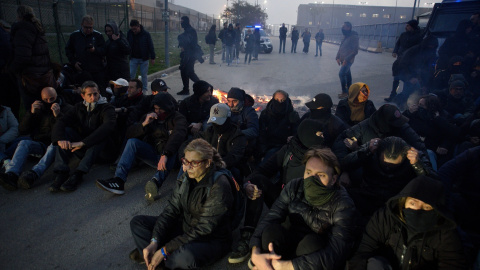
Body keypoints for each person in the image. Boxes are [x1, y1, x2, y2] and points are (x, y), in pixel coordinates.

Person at [227, 119, 326, 264]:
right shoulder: (289, 150)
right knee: (257, 182)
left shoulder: (325, 158)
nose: (322, 138)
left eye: (323, 134)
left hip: (309, 214)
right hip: (283, 203)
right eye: (318, 134)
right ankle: (248, 235)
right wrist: (247, 184)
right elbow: (262, 170)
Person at [128, 138, 235, 269]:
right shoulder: (187, 177)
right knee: (138, 223)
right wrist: (154, 241)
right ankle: (157, 258)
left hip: (212, 239)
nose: (188, 167)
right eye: (186, 161)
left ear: (208, 163)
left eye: (194, 163)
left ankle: (159, 259)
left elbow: (204, 228)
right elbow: (171, 210)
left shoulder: (219, 185)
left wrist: (165, 249)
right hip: (186, 227)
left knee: (184, 256)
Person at [249, 148, 357, 270]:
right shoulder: (295, 186)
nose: (312, 180)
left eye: (321, 175)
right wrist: (255, 251)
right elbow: (271, 217)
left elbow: (337, 252)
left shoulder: (343, 204)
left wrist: (288, 266)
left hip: (313, 257)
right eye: (309, 172)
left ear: (333, 179)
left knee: (311, 244)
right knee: (271, 232)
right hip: (289, 243)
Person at [349, 176, 467, 269]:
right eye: (413, 203)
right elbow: (363, 252)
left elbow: (452, 264)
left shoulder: (445, 234)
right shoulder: (384, 218)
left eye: (426, 207)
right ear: (403, 201)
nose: (417, 210)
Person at [96, 92, 187, 198]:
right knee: (132, 142)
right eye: (155, 109)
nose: (157, 112)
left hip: (172, 158)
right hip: (155, 155)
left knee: (173, 147)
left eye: (160, 109)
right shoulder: (150, 117)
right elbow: (129, 134)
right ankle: (119, 180)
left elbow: (178, 136)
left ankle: (156, 182)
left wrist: (165, 154)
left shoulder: (178, 118)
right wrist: (144, 124)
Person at [0, 87, 72, 191]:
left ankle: (33, 174)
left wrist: (58, 116)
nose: (49, 102)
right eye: (46, 99)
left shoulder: (67, 108)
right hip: (41, 143)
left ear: (57, 97)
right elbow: (22, 130)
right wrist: (31, 114)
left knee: (53, 146)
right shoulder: (39, 110)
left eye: (52, 99)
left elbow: (69, 130)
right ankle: (12, 173)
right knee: (24, 142)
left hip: (57, 143)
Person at [50, 81, 116, 192]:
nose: (93, 97)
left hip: (103, 151)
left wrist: (83, 143)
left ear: (99, 92)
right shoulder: (78, 107)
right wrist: (60, 140)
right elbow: (62, 121)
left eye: (95, 94)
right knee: (65, 132)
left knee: (101, 136)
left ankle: (78, 174)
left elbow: (108, 126)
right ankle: (61, 172)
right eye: (89, 95)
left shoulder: (107, 108)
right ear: (83, 96)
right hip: (84, 149)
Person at [344, 136, 431, 218]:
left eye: (393, 166)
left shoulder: (415, 157)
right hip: (368, 193)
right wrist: (366, 151)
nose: (388, 167)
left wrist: (417, 165)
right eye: (385, 164)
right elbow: (345, 163)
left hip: (395, 200)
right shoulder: (372, 149)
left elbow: (431, 182)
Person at [332, 104, 432, 173]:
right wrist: (344, 172)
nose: (399, 125)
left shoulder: (403, 127)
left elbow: (419, 146)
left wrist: (420, 163)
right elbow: (341, 144)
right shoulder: (363, 127)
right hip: (370, 173)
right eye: (395, 123)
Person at [11, 5, 55, 109]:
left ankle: (34, 122)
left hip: (30, 76)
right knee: (45, 103)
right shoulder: (37, 27)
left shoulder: (23, 29)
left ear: (19, 16)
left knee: (32, 106)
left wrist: (12, 69)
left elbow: (23, 56)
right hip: (43, 73)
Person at [403, 94, 460, 168]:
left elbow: (452, 133)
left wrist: (445, 145)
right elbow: (401, 124)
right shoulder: (415, 114)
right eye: (418, 104)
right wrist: (407, 113)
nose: (419, 107)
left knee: (429, 154)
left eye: (422, 105)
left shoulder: (442, 117)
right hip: (416, 146)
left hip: (435, 148)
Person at [65, 15, 107, 96]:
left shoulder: (98, 36)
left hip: (96, 69)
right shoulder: (75, 36)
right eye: (86, 27)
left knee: (100, 90)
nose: (88, 30)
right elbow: (68, 50)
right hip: (82, 68)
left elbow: (104, 50)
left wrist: (95, 50)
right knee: (85, 91)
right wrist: (74, 62)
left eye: (90, 27)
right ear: (81, 25)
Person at [395, 35, 439, 109]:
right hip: (409, 73)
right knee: (408, 89)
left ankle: (420, 105)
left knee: (421, 91)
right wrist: (410, 77)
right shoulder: (414, 50)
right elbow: (403, 64)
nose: (431, 47)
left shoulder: (432, 53)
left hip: (422, 75)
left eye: (433, 46)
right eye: (430, 45)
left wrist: (426, 84)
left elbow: (430, 69)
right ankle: (400, 102)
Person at [385, 20, 422, 102]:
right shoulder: (403, 35)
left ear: (412, 27)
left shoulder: (418, 37)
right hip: (400, 60)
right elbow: (398, 43)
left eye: (408, 26)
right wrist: (395, 51)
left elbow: (418, 50)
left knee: (407, 79)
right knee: (396, 78)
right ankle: (393, 95)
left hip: (410, 63)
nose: (406, 27)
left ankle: (403, 98)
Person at [258, 90, 300, 163]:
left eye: (282, 100)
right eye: (277, 100)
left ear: (286, 100)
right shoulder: (265, 114)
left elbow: (297, 131)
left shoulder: (292, 115)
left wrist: (293, 137)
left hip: (286, 148)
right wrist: (263, 151)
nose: (280, 103)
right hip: (269, 147)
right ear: (273, 99)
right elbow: (261, 133)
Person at [127, 19, 155, 93]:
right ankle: (130, 89)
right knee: (131, 74)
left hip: (144, 58)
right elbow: (127, 43)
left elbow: (150, 45)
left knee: (144, 75)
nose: (134, 31)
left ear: (139, 26)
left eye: (135, 29)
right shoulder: (129, 33)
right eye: (132, 29)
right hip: (133, 58)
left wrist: (153, 57)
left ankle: (144, 90)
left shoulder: (146, 34)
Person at [177, 16, 200, 95]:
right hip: (186, 54)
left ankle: (202, 86)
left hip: (190, 55)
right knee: (183, 71)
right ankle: (185, 89)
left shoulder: (191, 31)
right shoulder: (187, 30)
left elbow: (190, 42)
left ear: (186, 22)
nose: (181, 23)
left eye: (182, 21)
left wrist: (181, 40)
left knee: (190, 72)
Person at [336, 22, 359, 99]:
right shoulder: (345, 36)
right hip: (343, 59)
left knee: (342, 74)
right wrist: (337, 57)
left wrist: (346, 59)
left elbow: (355, 50)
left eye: (344, 27)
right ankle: (350, 91)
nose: (342, 28)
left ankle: (345, 92)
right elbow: (341, 47)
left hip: (348, 59)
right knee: (348, 75)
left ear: (349, 27)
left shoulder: (354, 37)